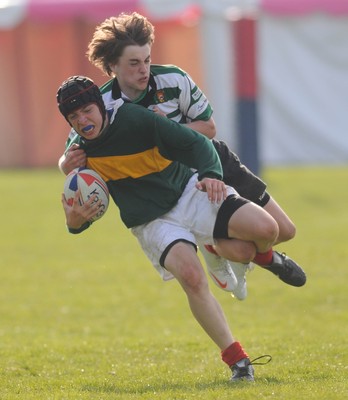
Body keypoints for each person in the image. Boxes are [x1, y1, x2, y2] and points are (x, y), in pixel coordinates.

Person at [58, 12, 306, 298]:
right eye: (134, 63)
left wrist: (166, 129)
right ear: (113, 66)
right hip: (177, 182)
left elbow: (209, 129)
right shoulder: (102, 104)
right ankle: (245, 253)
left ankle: (215, 246)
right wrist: (66, 163)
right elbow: (71, 155)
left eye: (147, 60)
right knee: (244, 247)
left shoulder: (173, 79)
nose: (144, 70)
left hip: (211, 159)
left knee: (284, 231)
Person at [57, 75, 275, 382]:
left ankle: (262, 258)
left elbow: (197, 141)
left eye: (87, 111)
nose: (83, 120)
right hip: (151, 221)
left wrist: (212, 173)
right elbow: (77, 209)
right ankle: (238, 361)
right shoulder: (81, 156)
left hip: (188, 190)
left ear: (101, 105)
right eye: (74, 117)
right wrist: (74, 223)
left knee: (268, 230)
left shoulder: (135, 118)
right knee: (191, 277)